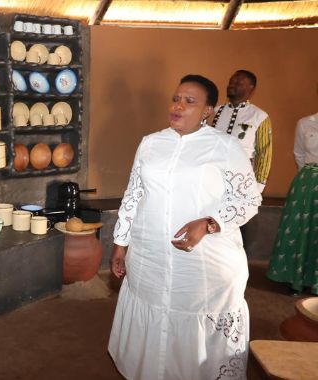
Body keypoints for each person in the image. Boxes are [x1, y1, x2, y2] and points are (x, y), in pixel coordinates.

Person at [108, 74, 262, 380]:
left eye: (190, 101)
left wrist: (208, 223)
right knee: (152, 320)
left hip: (203, 263)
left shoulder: (225, 146)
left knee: (196, 329)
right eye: (176, 98)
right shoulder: (151, 143)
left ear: (208, 110)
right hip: (150, 256)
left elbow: (249, 199)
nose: (178, 105)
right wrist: (121, 243)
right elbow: (134, 194)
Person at [267, 87, 318, 296]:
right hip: (308, 181)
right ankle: (295, 278)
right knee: (301, 229)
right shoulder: (306, 123)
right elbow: (298, 153)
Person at [211, 70, 272, 193]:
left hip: (241, 180)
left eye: (238, 82)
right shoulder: (214, 112)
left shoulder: (259, 116)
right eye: (231, 81)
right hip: (212, 177)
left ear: (251, 88)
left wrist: (259, 186)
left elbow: (264, 153)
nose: (232, 84)